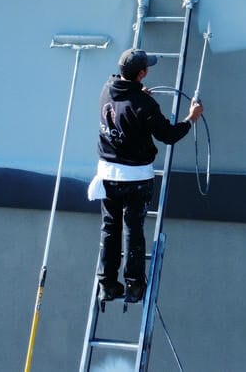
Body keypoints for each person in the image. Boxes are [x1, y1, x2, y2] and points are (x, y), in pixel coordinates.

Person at [87, 47, 203, 302]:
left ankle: (107, 284)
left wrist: (138, 94)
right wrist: (191, 118)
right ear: (142, 73)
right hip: (135, 179)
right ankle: (134, 285)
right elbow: (168, 135)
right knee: (133, 230)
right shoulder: (144, 104)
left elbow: (123, 105)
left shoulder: (107, 89)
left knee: (110, 229)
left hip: (106, 175)